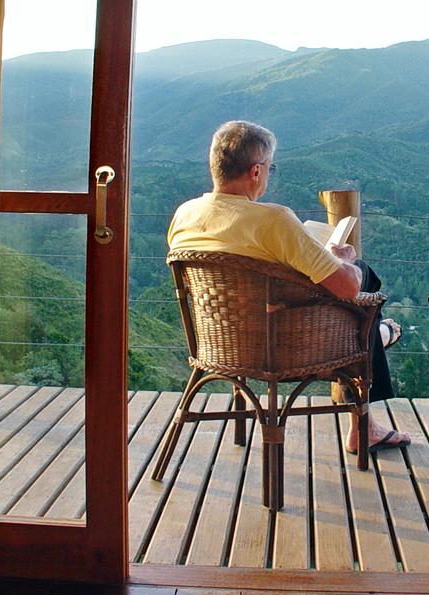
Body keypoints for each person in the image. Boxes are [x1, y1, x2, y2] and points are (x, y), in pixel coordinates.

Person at [167, 120, 411, 454]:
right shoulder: (273, 220)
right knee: (362, 282)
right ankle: (367, 396)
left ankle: (374, 340)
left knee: (355, 309)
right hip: (284, 348)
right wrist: (343, 259)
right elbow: (347, 289)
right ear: (256, 171)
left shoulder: (185, 214)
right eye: (270, 167)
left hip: (219, 345)